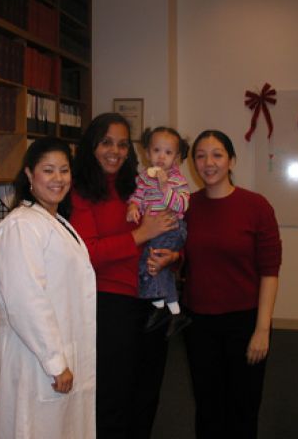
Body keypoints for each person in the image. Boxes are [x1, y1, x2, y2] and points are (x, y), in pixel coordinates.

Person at [70, 112, 176, 439]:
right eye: (106, 142)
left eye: (121, 144)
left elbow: (169, 229)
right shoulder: (80, 191)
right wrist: (140, 235)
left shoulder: (138, 185)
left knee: (146, 391)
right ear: (91, 145)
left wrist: (173, 254)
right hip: (110, 303)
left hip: (151, 298)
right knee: (114, 394)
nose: (114, 151)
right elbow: (87, 254)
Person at [0, 137, 97, 439]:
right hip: (35, 358)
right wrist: (55, 362)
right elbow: (27, 302)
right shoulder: (21, 227)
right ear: (29, 174)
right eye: (48, 170)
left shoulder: (54, 221)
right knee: (34, 429)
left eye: (64, 170)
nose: (58, 178)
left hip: (55, 350)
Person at [182, 130, 282, 439]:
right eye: (200, 155)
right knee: (208, 407)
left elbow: (270, 271)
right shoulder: (186, 206)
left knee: (243, 407)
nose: (208, 162)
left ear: (231, 161)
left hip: (245, 321)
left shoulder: (256, 206)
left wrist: (262, 330)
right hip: (198, 323)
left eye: (217, 155)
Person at [126, 126, 191, 338]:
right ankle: (173, 309)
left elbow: (182, 206)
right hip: (153, 229)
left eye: (168, 152)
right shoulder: (144, 177)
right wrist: (133, 207)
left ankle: (159, 305)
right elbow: (137, 196)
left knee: (149, 262)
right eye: (156, 151)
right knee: (160, 266)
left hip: (172, 228)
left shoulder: (177, 180)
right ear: (147, 153)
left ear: (177, 157)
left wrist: (165, 188)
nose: (161, 157)